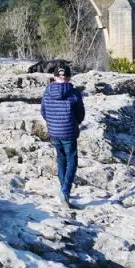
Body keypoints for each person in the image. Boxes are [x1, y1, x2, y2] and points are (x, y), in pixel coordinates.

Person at [40, 62, 85, 208]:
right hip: (69, 131)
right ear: (69, 77)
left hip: (54, 131)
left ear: (54, 77)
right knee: (71, 159)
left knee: (60, 158)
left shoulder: (47, 90)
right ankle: (65, 190)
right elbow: (80, 114)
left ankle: (63, 189)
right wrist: (74, 122)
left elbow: (43, 112)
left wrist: (52, 123)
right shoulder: (74, 92)